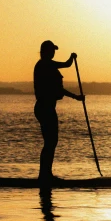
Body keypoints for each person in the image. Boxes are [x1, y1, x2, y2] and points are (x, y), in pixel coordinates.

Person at [33, 40, 84, 181]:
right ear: (45, 51)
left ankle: (45, 174)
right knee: (50, 142)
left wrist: (76, 97)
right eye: (51, 50)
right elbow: (66, 65)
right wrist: (72, 58)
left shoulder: (48, 66)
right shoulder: (45, 64)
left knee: (51, 142)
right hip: (44, 108)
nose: (53, 52)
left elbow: (58, 86)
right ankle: (44, 175)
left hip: (47, 107)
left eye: (54, 50)